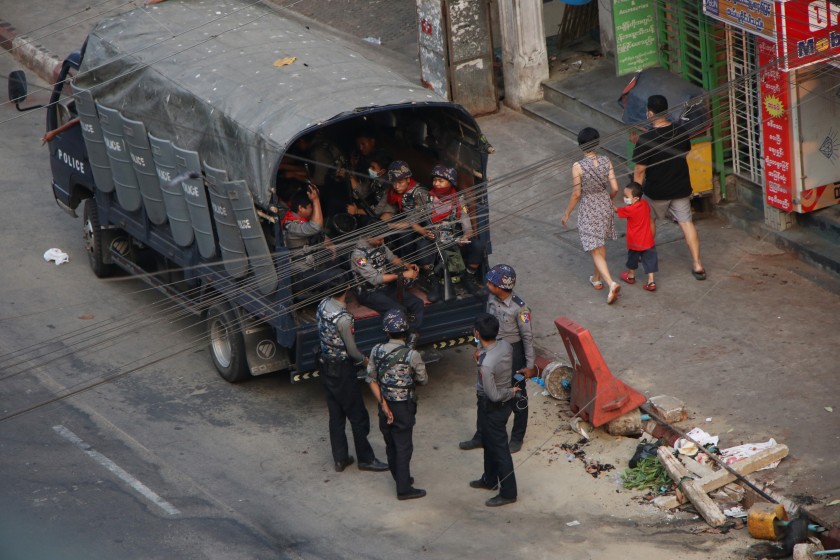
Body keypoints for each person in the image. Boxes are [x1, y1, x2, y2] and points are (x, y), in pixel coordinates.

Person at [315, 274, 389, 474]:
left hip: (325, 365)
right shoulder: (345, 318)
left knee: (336, 414)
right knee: (358, 416)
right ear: (346, 290)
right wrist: (366, 362)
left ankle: (340, 459)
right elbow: (352, 351)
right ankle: (366, 458)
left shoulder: (322, 305)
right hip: (342, 370)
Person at [459, 264, 534, 454]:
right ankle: (480, 436)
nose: (487, 284)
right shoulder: (491, 299)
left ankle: (517, 438)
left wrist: (529, 365)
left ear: (500, 287)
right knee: (484, 393)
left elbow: (527, 337)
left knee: (517, 396)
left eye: (491, 282)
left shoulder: (520, 308)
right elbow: (483, 324)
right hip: (491, 350)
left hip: (513, 355)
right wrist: (478, 347)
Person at [633, 94, 706, 281]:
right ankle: (698, 264)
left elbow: (640, 171)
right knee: (686, 223)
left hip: (656, 191)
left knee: (650, 221)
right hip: (680, 187)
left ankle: (646, 254)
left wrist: (635, 194)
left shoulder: (646, 139)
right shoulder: (681, 131)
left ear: (650, 113)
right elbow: (686, 152)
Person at [366, 309, 428, 501]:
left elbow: (370, 379)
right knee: (403, 447)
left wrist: (383, 404)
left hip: (384, 406)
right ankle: (403, 489)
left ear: (386, 332)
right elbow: (423, 379)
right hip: (403, 407)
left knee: (391, 443)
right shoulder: (412, 355)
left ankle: (400, 478)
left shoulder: (376, 350)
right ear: (405, 332)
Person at [561, 127, 621, 305]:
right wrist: (607, 201)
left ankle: (611, 283)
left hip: (589, 207)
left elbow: (576, 194)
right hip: (604, 203)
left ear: (580, 145)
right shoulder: (606, 161)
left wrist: (566, 214)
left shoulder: (577, 166)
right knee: (599, 244)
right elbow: (616, 188)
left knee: (594, 248)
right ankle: (596, 278)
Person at [469, 313, 518, 507]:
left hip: (493, 405)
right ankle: (489, 479)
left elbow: (494, 395)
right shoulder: (505, 346)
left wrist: (510, 392)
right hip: (500, 407)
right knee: (489, 442)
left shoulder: (487, 364)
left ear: (476, 333)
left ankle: (508, 493)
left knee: (499, 449)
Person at [350, 232, 425, 349]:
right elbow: (375, 279)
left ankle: (412, 337)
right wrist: (402, 274)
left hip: (385, 287)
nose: (382, 242)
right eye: (379, 239)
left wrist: (407, 265)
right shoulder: (358, 256)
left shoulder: (379, 245)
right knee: (399, 310)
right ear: (369, 237)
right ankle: (398, 345)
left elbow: (392, 258)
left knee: (417, 303)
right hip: (369, 292)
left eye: (383, 239)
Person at [428, 164, 486, 297]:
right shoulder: (427, 199)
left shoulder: (458, 201)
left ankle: (468, 277)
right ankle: (434, 281)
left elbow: (468, 228)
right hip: (434, 243)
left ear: (450, 182)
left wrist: (465, 237)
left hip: (453, 241)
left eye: (440, 181)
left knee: (478, 245)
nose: (436, 184)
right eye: (434, 180)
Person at [387, 160, 440, 301]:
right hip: (415, 229)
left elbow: (412, 222)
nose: (396, 186)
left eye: (400, 182)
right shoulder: (396, 192)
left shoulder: (419, 193)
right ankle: (409, 268)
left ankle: (431, 280)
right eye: (394, 183)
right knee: (402, 235)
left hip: (429, 231)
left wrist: (389, 226)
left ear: (408, 179)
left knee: (421, 246)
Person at [282, 184, 345, 300]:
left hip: (313, 265)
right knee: (339, 276)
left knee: (341, 259)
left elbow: (319, 234)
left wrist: (331, 245)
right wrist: (315, 200)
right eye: (310, 207)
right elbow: (316, 227)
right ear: (301, 208)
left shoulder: (301, 220)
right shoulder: (292, 225)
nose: (313, 210)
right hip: (301, 275)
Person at [615, 181, 658, 292]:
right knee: (649, 260)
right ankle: (651, 281)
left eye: (626, 196)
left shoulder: (630, 209)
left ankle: (631, 276)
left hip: (635, 241)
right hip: (648, 240)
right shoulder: (644, 204)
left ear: (635, 199)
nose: (624, 198)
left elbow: (617, 210)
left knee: (632, 259)